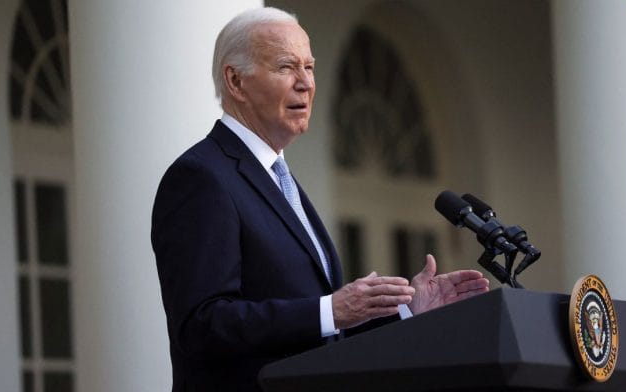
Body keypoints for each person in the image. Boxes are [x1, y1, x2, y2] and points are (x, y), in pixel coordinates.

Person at [151, 7, 489, 392]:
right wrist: (331, 309)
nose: (305, 83)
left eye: (309, 68)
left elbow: (321, 331)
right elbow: (202, 325)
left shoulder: (280, 180)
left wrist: (406, 310)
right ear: (236, 81)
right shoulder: (202, 177)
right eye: (285, 67)